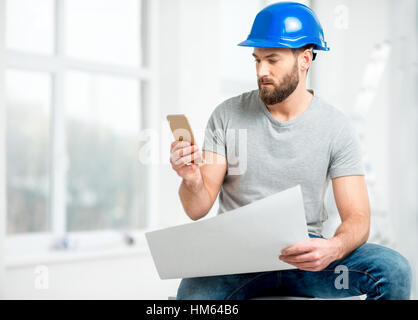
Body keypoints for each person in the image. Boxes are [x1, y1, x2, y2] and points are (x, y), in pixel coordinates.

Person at [169, 2, 412, 300]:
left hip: (306, 256)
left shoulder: (336, 127)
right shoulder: (227, 115)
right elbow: (197, 208)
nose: (262, 71)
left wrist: (333, 248)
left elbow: (358, 216)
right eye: (257, 60)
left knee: (394, 270)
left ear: (305, 59)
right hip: (235, 258)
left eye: (272, 60)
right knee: (191, 299)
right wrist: (192, 179)